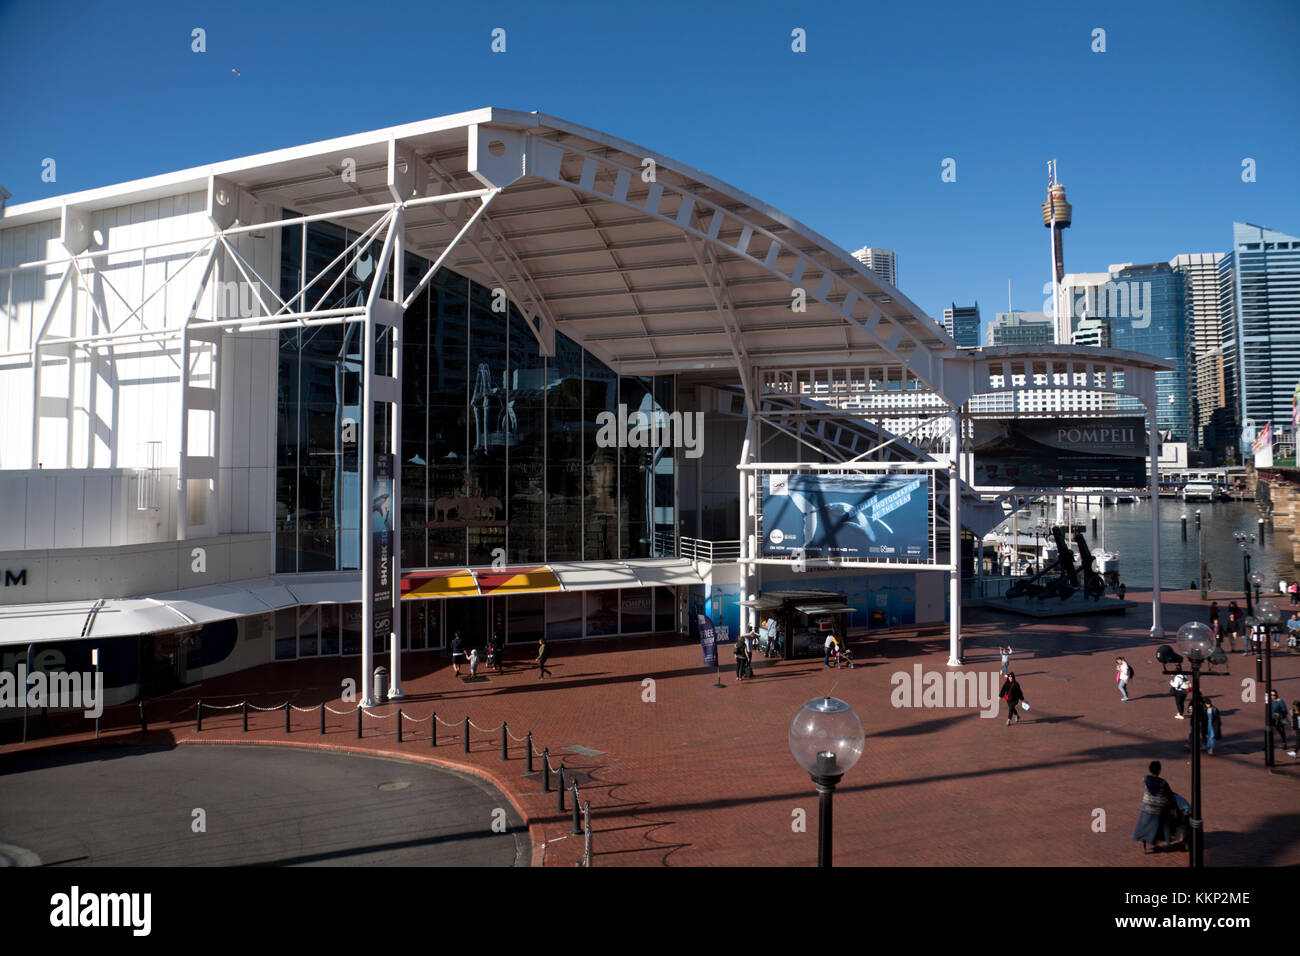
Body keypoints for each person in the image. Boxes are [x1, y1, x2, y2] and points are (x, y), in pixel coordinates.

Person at [1133, 760, 1177, 853]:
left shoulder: (1145, 779)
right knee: (1167, 821)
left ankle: (1150, 841)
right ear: (1159, 770)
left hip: (1146, 806)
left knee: (1146, 821)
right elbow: (1170, 794)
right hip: (1159, 808)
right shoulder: (1163, 782)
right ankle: (1168, 842)